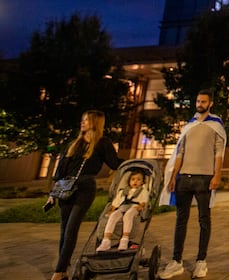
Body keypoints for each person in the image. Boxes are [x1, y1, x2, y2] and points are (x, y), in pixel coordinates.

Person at [45, 110, 124, 280]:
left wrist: (136, 163)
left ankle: (58, 272)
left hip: (85, 189)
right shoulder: (75, 144)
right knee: (64, 230)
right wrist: (53, 192)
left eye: (86, 120)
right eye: (82, 120)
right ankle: (64, 268)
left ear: (96, 122)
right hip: (65, 189)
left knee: (71, 230)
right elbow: (61, 170)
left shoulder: (103, 143)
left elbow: (114, 163)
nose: (82, 123)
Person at [159, 90, 227, 279]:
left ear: (210, 103)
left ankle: (201, 261)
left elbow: (218, 154)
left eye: (203, 101)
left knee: (204, 219)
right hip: (183, 178)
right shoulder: (189, 125)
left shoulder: (216, 125)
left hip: (204, 178)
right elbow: (179, 152)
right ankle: (176, 260)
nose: (200, 103)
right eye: (198, 100)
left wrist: (217, 176)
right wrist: (173, 176)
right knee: (181, 219)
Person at [96, 169, 150, 251]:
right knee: (113, 216)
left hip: (134, 207)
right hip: (122, 207)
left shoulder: (143, 191)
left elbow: (144, 201)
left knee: (128, 215)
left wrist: (141, 205)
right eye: (133, 179)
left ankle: (124, 239)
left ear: (142, 182)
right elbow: (116, 202)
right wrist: (112, 209)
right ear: (129, 181)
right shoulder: (122, 192)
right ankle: (106, 240)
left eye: (139, 179)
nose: (135, 181)